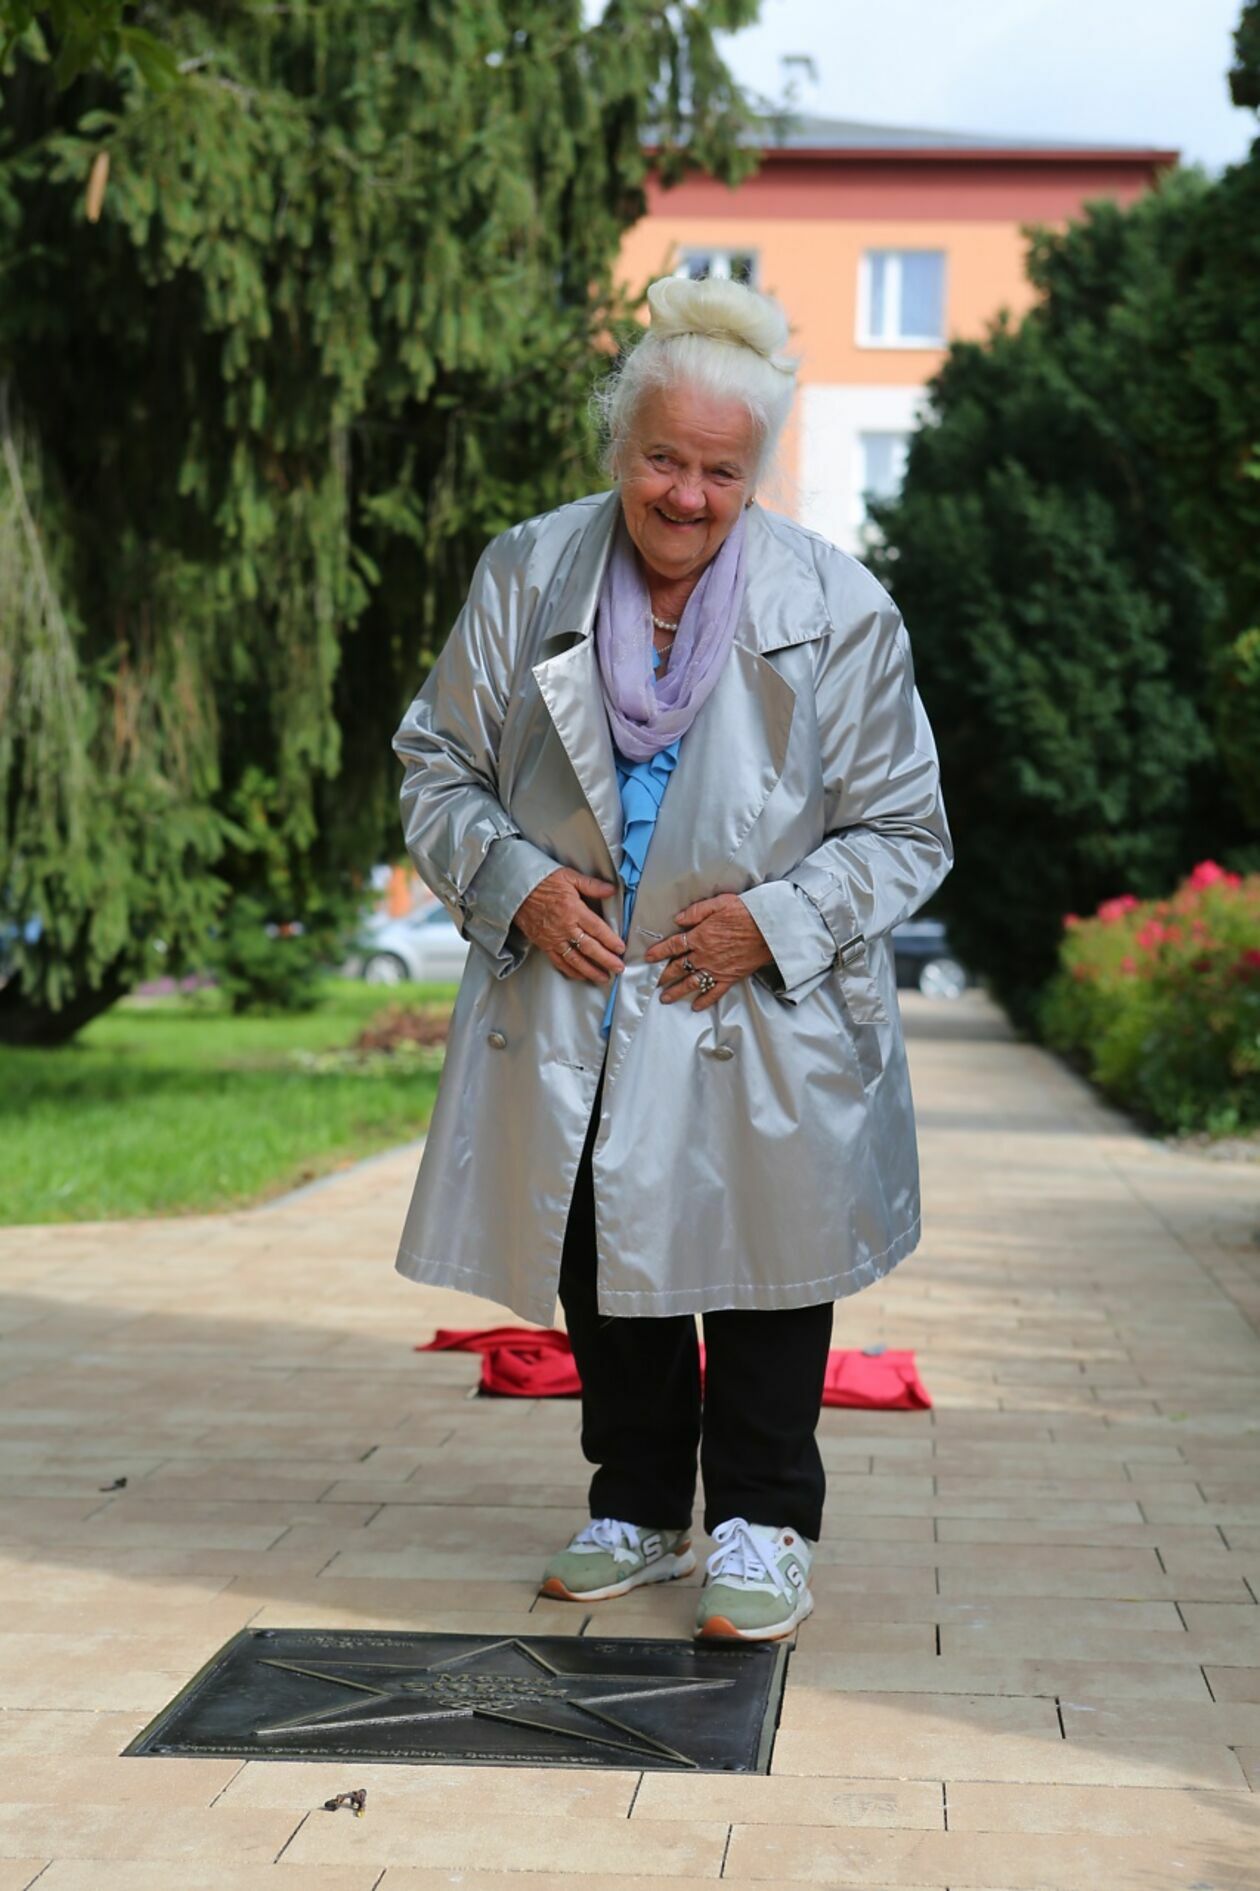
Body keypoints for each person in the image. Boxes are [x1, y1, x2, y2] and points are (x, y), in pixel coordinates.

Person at [392, 275, 953, 1641]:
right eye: (661, 459)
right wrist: (518, 885)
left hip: (762, 1003)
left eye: (720, 471)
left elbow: (906, 829)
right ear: (617, 444)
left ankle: (766, 1524)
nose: (687, 496)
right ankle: (637, 1506)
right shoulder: (528, 571)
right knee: (601, 1244)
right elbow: (436, 767)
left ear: (755, 472)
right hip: (579, 988)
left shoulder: (841, 606)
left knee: (769, 1258)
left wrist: (777, 921)